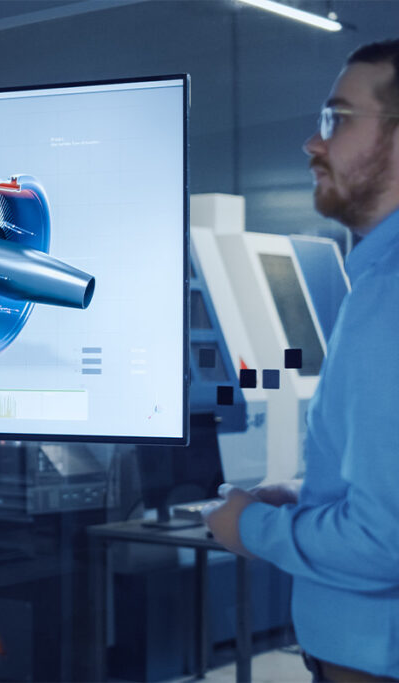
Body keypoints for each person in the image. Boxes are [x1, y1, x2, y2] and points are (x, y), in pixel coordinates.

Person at [204, 39, 399, 682]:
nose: (314, 144)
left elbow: (385, 542)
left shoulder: (390, 294)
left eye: (337, 120)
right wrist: (311, 495)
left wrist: (249, 526)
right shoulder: (372, 278)